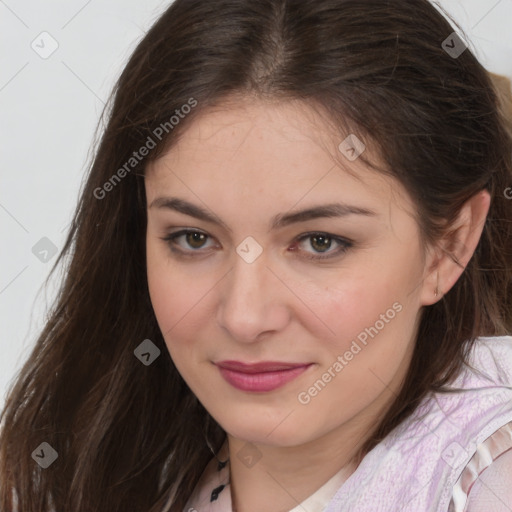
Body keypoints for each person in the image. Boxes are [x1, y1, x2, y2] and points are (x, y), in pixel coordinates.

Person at [1, 0, 512, 511]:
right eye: (194, 238)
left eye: (320, 242)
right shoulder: (85, 466)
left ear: (449, 245)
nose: (244, 318)